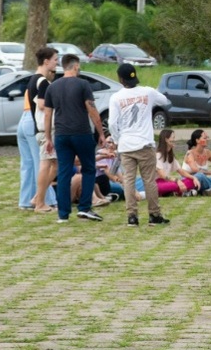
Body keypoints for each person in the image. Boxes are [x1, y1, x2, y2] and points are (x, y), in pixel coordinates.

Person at [44, 53, 107, 223]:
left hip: (61, 135)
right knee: (88, 168)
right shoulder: (82, 84)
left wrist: (48, 138)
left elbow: (48, 114)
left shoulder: (52, 87)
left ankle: (63, 213)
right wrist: (101, 133)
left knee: (64, 172)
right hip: (81, 133)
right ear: (76, 66)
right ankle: (85, 207)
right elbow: (92, 110)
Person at [108, 63, 171, 226]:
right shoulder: (148, 92)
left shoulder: (116, 97)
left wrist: (116, 140)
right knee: (149, 180)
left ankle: (132, 216)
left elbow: (112, 124)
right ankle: (154, 215)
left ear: (120, 79)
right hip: (145, 144)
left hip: (126, 145)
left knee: (129, 180)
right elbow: (164, 100)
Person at [19, 47, 58, 213]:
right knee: (43, 164)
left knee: (29, 164)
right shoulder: (42, 81)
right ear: (46, 61)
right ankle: (42, 199)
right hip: (37, 124)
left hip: (26, 121)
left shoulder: (33, 79)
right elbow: (42, 104)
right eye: (55, 59)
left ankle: (28, 199)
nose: (57, 63)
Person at [149, 130, 201, 196]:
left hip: (167, 182)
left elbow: (181, 171)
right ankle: (180, 192)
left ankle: (172, 192)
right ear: (166, 140)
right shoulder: (157, 156)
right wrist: (177, 180)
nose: (175, 140)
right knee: (174, 185)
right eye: (173, 138)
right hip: (157, 183)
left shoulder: (170, 156)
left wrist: (193, 178)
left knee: (192, 181)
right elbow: (162, 176)